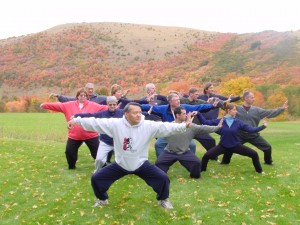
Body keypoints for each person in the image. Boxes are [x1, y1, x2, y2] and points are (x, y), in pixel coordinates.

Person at [67, 102, 194, 209]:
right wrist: (76, 120)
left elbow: (167, 127)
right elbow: (95, 122)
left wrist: (184, 125)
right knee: (96, 178)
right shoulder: (115, 124)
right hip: (121, 163)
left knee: (163, 178)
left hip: (141, 163)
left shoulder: (148, 126)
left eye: (140, 112)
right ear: (126, 114)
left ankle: (163, 200)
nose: (139, 115)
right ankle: (102, 199)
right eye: (135, 113)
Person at [41, 88, 108, 169]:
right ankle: (72, 167)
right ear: (77, 96)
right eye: (81, 95)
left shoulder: (93, 105)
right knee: (69, 152)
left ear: (87, 97)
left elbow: (104, 108)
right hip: (74, 136)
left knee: (97, 153)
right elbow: (57, 106)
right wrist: (44, 105)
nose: (83, 97)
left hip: (91, 135)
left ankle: (104, 167)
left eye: (85, 95)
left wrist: (116, 108)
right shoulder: (69, 105)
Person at [196, 102, 267, 174]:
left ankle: (259, 171)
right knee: (206, 156)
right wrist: (198, 114)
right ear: (229, 111)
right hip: (223, 146)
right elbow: (205, 122)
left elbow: (251, 130)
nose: (236, 111)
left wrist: (263, 126)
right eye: (234, 110)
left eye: (236, 110)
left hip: (235, 146)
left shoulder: (238, 122)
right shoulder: (220, 121)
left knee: (254, 154)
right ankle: (202, 171)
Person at [221, 90, 289, 165]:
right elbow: (223, 106)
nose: (254, 99)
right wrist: (226, 101)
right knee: (230, 146)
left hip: (253, 134)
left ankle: (268, 162)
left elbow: (270, 113)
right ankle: (225, 162)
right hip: (239, 135)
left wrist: (282, 109)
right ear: (246, 99)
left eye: (253, 97)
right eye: (252, 97)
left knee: (267, 147)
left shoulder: (257, 110)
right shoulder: (236, 108)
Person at [141, 93, 217, 157]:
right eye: (176, 100)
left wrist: (212, 106)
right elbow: (149, 107)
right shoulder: (163, 109)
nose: (178, 101)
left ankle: (191, 160)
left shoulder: (185, 107)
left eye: (178, 99)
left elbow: (199, 107)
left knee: (192, 145)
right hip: (169, 133)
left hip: (183, 131)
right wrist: (135, 106)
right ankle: (162, 160)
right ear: (170, 102)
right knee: (158, 144)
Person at [155, 106, 222, 178]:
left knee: (197, 163)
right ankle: (162, 176)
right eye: (184, 114)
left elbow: (203, 128)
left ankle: (195, 177)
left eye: (186, 113)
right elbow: (157, 129)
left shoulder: (191, 126)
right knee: (159, 163)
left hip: (185, 152)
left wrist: (217, 127)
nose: (186, 115)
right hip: (169, 152)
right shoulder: (169, 126)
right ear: (177, 115)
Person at [73, 96, 123, 172]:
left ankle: (122, 172)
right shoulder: (102, 114)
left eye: (114, 104)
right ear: (107, 105)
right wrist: (76, 116)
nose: (112, 106)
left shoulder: (122, 113)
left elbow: (134, 114)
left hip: (119, 142)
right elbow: (91, 115)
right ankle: (97, 172)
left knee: (124, 160)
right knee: (99, 159)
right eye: (110, 104)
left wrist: (147, 114)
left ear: (116, 104)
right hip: (105, 142)